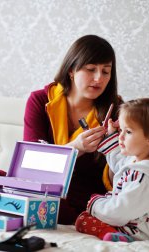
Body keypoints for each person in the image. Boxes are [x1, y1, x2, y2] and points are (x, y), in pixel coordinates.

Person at [24, 34, 122, 224]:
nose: (98, 78)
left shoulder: (117, 112)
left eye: (106, 71)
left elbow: (118, 178)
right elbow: (30, 164)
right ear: (71, 70)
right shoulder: (40, 100)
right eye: (91, 69)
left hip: (85, 199)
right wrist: (76, 148)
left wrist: (115, 149)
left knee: (49, 206)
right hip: (38, 188)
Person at [75, 98, 149, 242]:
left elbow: (118, 212)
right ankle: (112, 233)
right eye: (120, 130)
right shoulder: (138, 160)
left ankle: (114, 235)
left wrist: (95, 203)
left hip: (136, 230)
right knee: (87, 216)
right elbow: (119, 162)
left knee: (83, 219)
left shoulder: (145, 178)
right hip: (128, 218)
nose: (120, 137)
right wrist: (110, 135)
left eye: (128, 132)